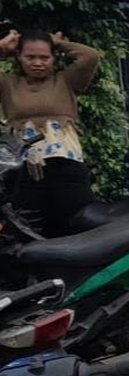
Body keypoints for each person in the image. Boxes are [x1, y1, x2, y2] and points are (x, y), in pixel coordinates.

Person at [0, 29, 101, 236]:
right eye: (30, 57)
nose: (38, 63)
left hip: (68, 164)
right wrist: (3, 47)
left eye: (44, 57)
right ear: (18, 57)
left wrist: (59, 43)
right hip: (26, 169)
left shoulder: (65, 81)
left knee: (78, 224)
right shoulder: (8, 84)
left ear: (53, 57)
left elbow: (91, 56)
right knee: (27, 229)